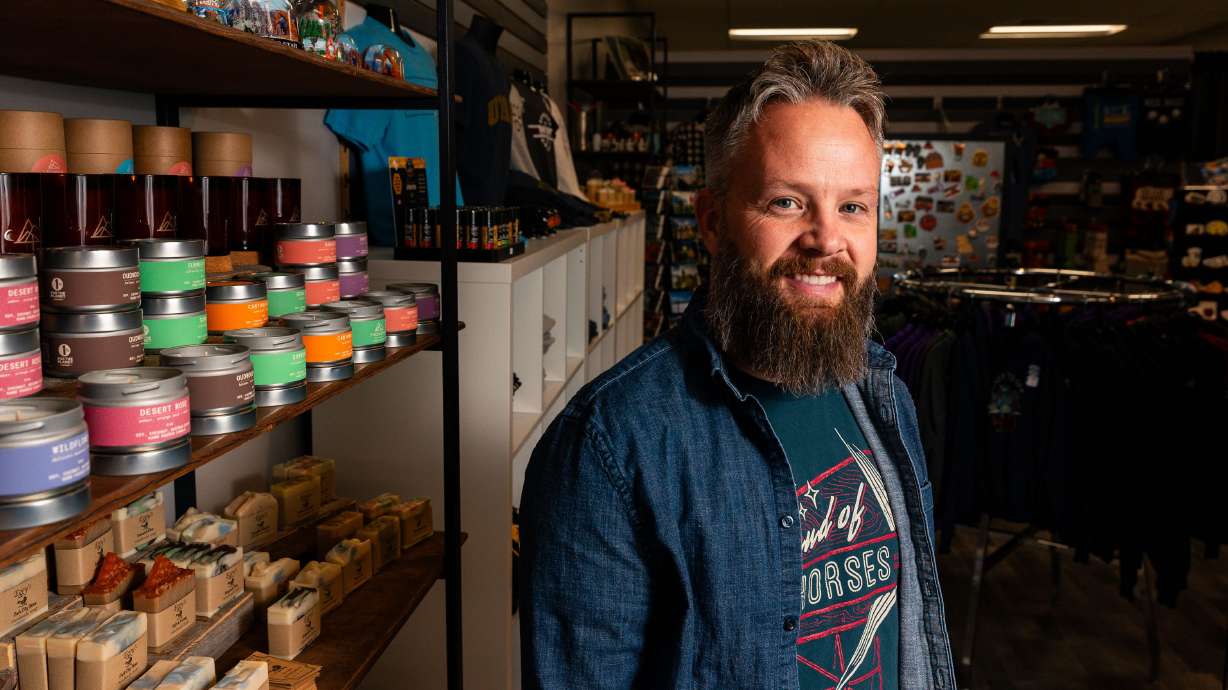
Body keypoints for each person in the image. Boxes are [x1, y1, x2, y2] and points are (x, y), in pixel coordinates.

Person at [520, 40, 956, 690]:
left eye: (852, 207)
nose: (826, 239)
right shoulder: (609, 446)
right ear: (712, 221)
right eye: (787, 202)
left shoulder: (884, 393)